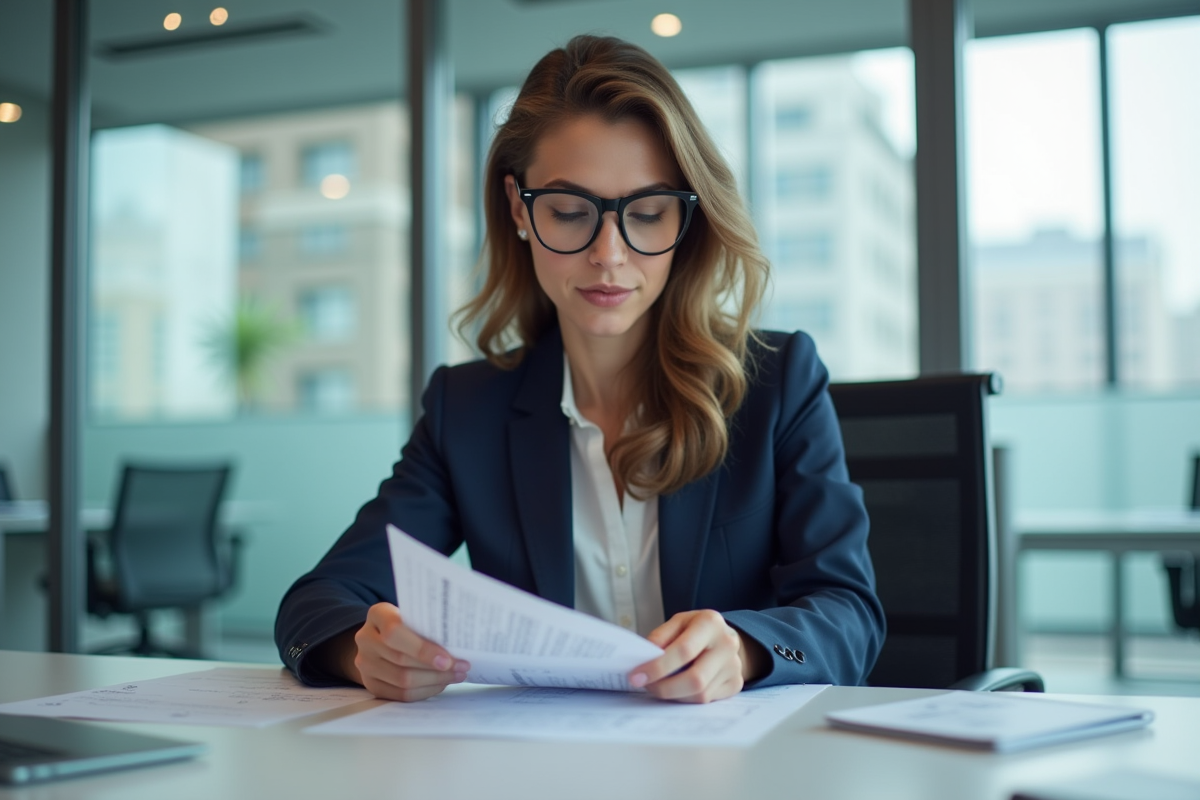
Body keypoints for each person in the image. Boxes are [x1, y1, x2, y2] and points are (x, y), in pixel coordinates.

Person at [276, 34, 884, 704]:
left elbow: (849, 614)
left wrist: (744, 648)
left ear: (688, 219)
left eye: (647, 214)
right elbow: (318, 603)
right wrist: (361, 649)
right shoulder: (467, 411)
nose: (608, 254)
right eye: (569, 211)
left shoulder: (778, 382)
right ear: (519, 209)